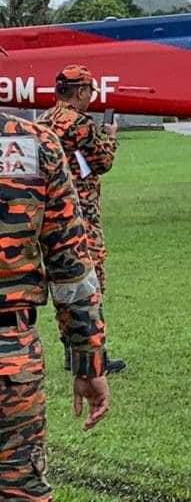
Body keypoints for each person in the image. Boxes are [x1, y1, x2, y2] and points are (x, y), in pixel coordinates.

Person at [0, 111, 109, 501]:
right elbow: (71, 268)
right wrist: (88, 359)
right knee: (18, 491)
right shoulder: (37, 144)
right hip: (10, 363)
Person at [37, 65, 125, 375]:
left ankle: (69, 349)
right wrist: (111, 138)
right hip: (81, 214)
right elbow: (102, 163)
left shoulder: (42, 122)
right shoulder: (81, 124)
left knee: (63, 281)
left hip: (49, 214)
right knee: (91, 282)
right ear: (81, 91)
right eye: (90, 92)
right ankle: (92, 355)